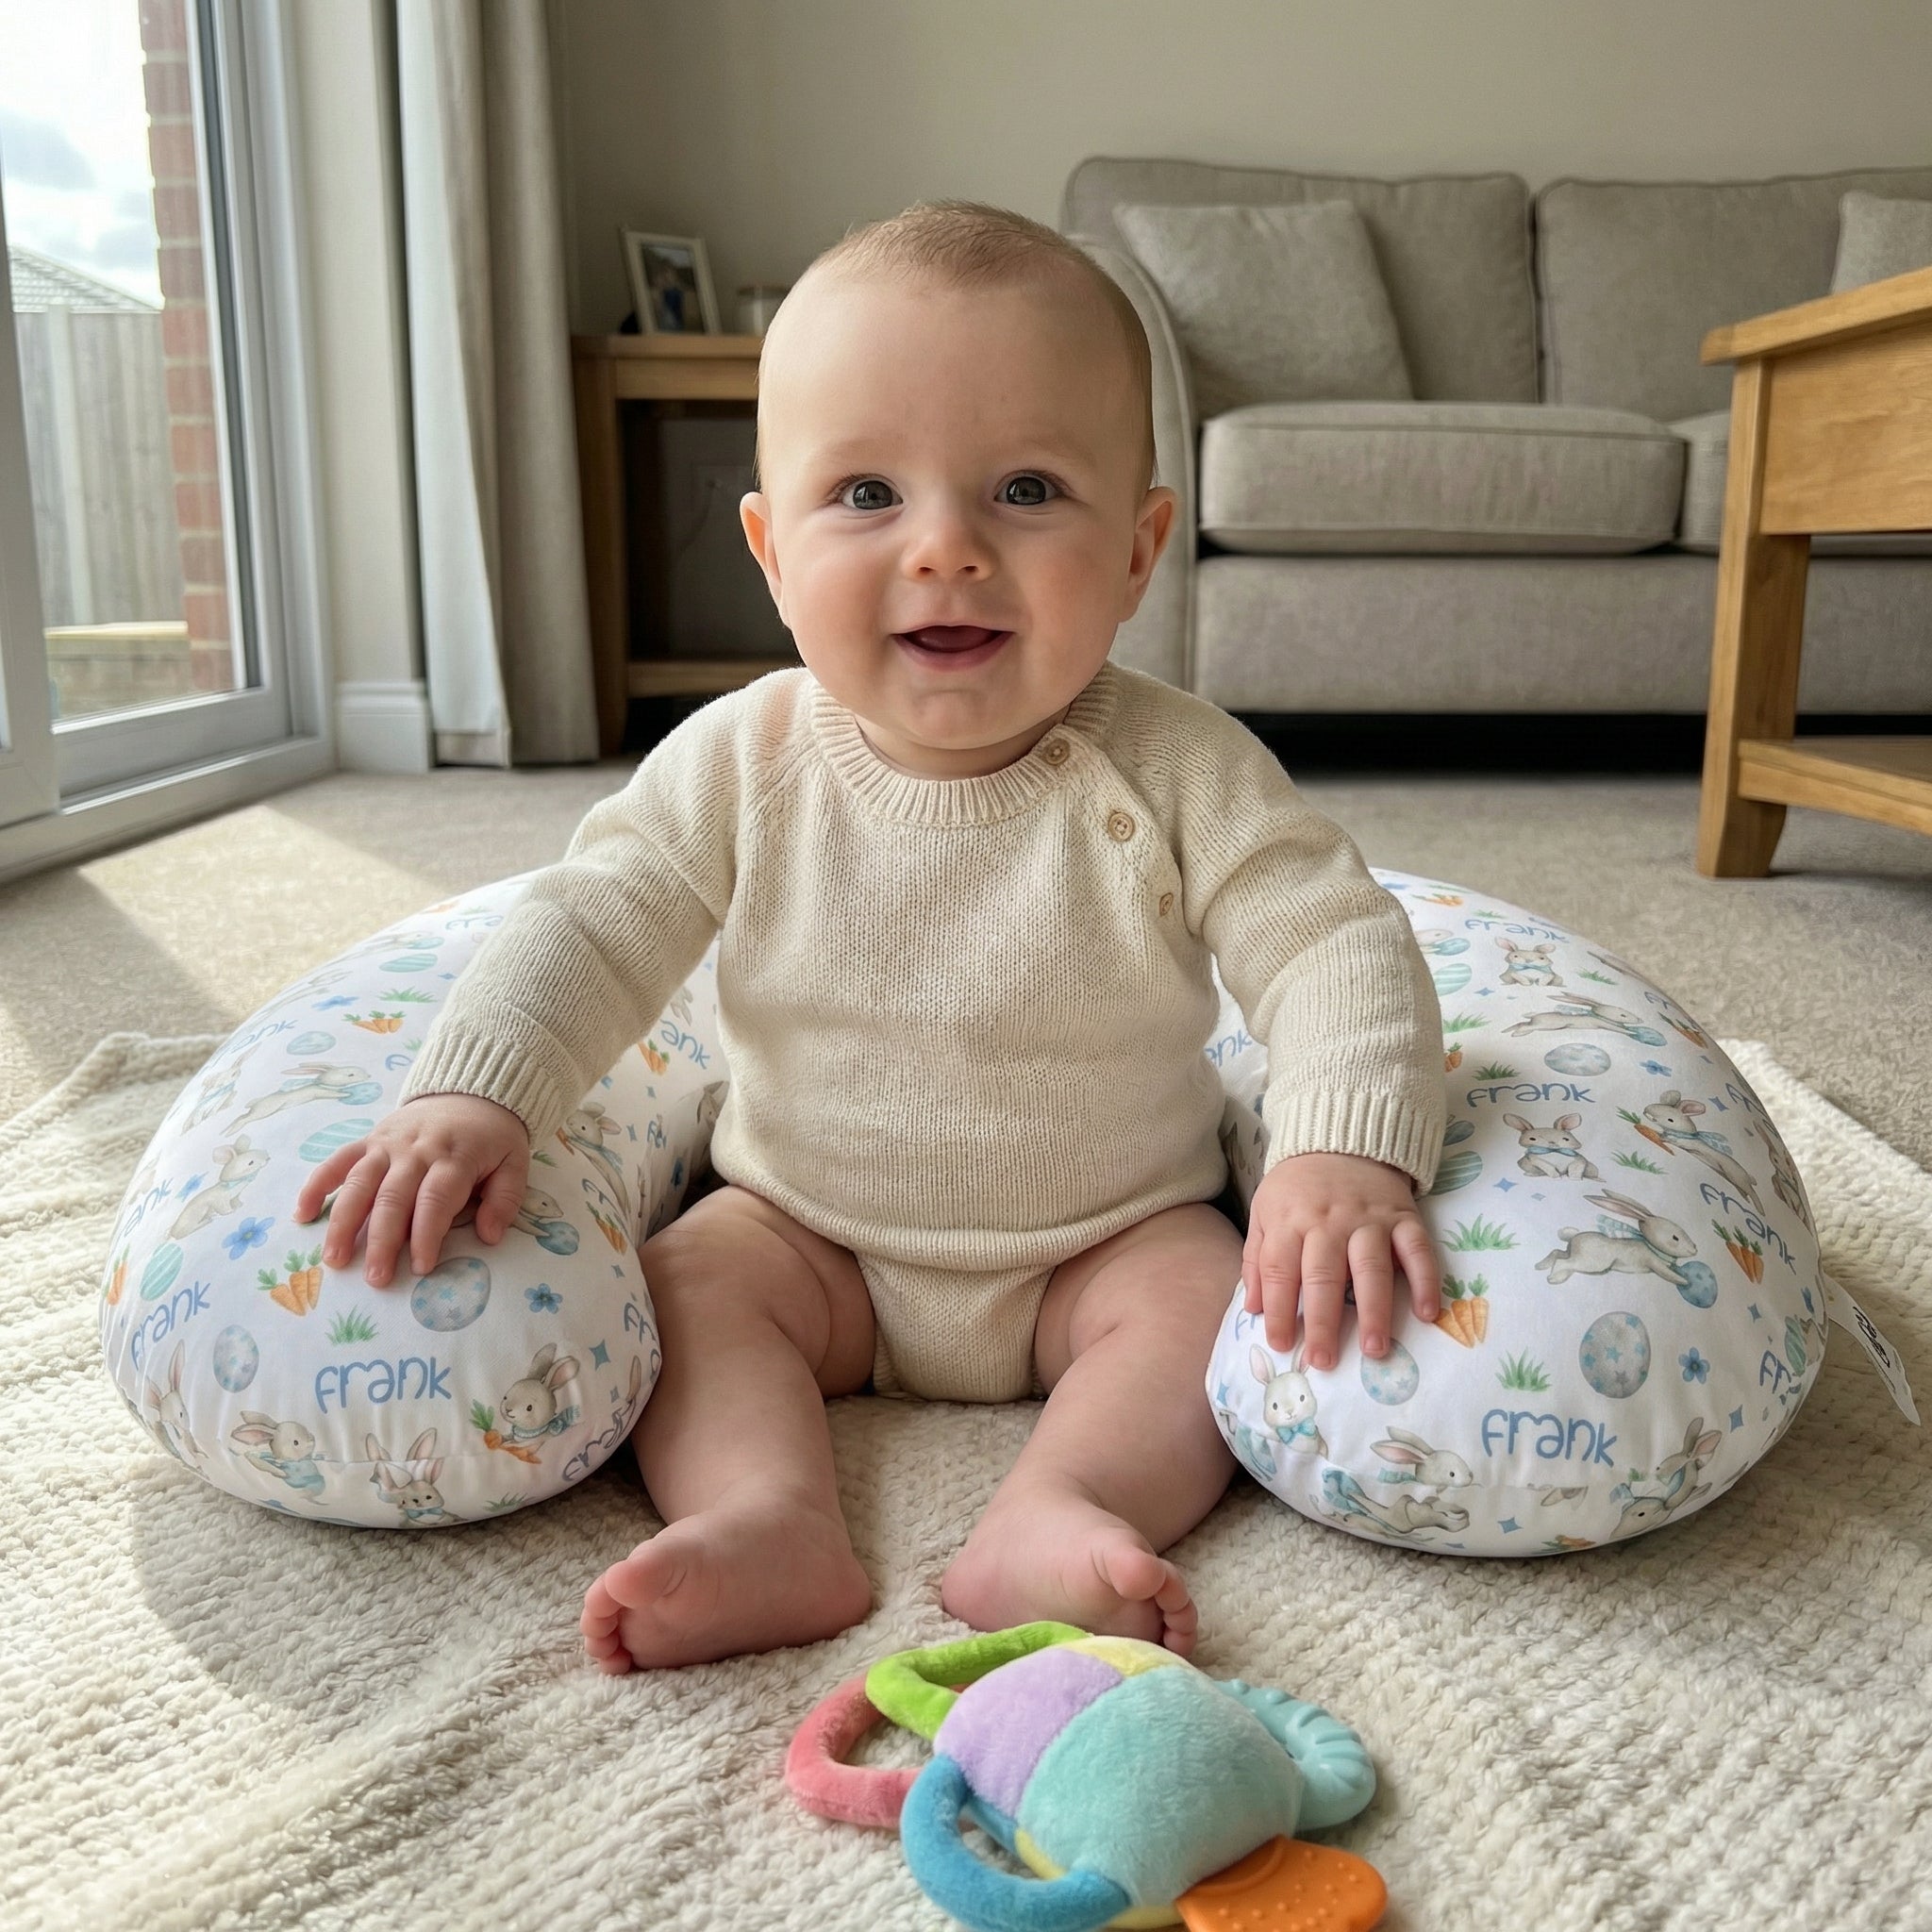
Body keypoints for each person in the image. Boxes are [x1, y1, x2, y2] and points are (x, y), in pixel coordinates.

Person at [293, 199, 1448, 1674]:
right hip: (807, 1230)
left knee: (1204, 1304)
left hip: (1102, 1237)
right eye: (865, 497)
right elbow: (592, 923)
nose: (948, 551)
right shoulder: (740, 760)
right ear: (771, 552)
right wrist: (478, 1092)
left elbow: (1329, 939)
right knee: (693, 1288)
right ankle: (769, 1512)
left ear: (1143, 546)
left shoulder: (1179, 764)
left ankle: (1061, 1504)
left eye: (1028, 490)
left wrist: (1344, 1146)